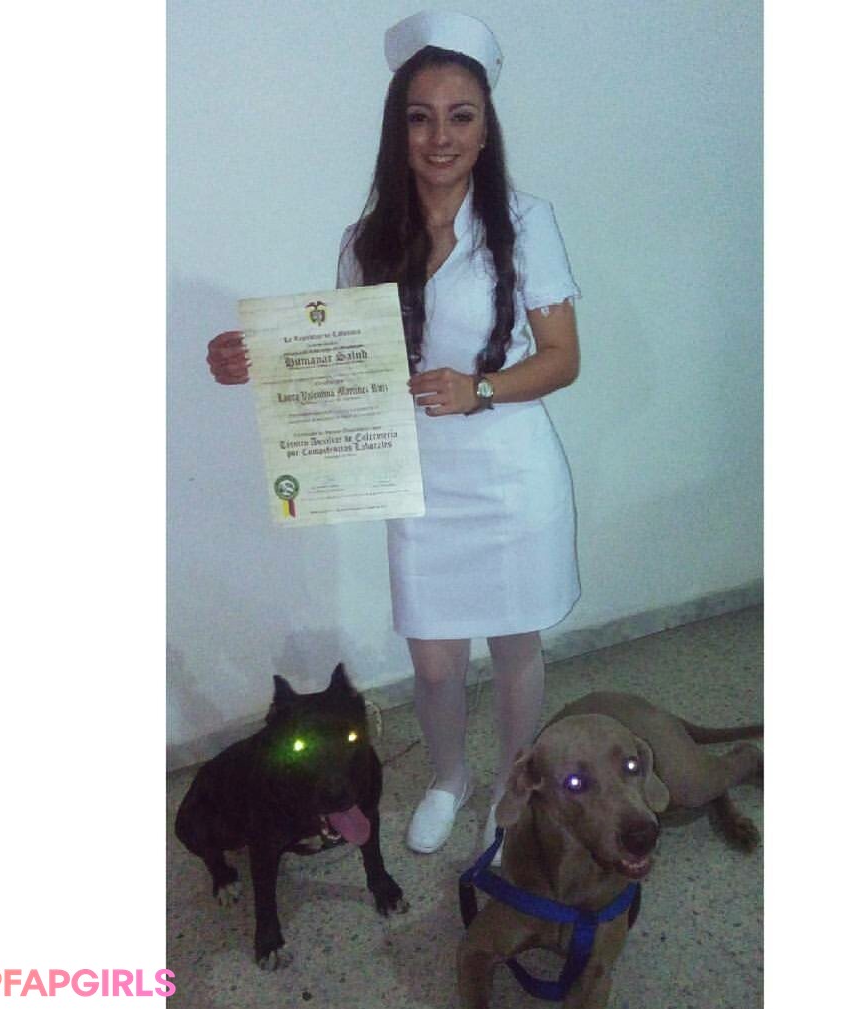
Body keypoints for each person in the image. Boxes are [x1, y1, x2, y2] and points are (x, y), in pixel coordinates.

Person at [207, 11, 582, 857]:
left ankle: (511, 784)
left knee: (515, 648)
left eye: (461, 116)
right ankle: (449, 776)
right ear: (398, 129)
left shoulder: (528, 223)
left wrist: (478, 388)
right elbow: (345, 358)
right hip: (414, 480)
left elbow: (562, 359)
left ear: (485, 129)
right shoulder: (365, 241)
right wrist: (259, 358)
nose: (440, 137)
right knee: (436, 662)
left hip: (511, 478)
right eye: (421, 116)